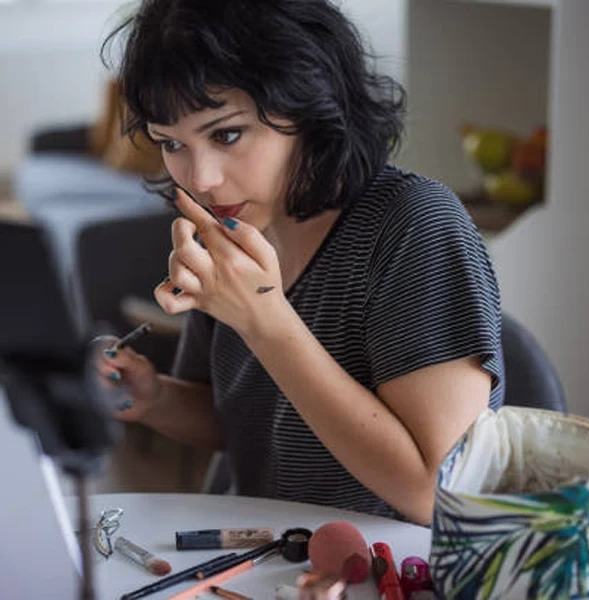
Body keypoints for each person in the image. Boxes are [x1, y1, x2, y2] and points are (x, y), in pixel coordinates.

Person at [96, 0, 503, 525]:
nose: (200, 179)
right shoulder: (237, 227)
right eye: (172, 143)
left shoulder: (412, 226)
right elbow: (237, 419)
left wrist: (264, 319)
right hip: (266, 558)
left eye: (226, 134)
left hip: (386, 568)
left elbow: (437, 492)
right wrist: (152, 397)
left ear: (311, 105)